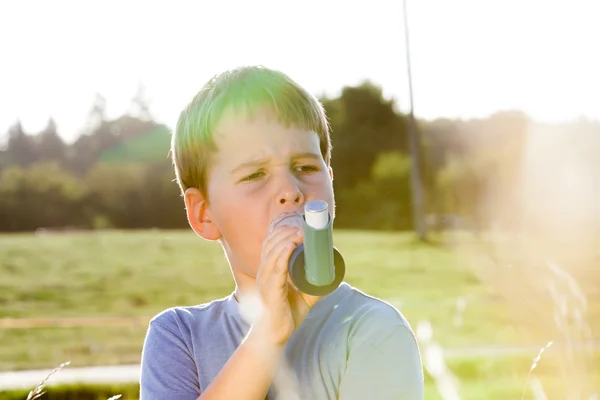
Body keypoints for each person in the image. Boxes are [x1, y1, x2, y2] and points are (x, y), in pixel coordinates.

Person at [139, 65, 424, 400]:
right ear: (204, 213)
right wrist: (267, 335)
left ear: (331, 186)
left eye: (305, 167)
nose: (290, 190)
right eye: (254, 175)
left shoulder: (373, 329)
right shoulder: (178, 336)